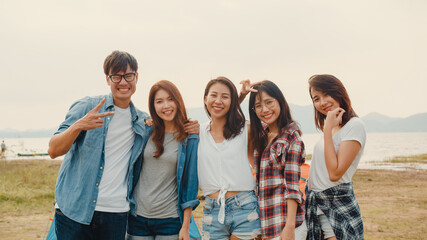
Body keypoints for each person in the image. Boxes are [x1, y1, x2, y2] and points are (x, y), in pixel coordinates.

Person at [48, 50, 151, 240]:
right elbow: (53, 150)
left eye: (128, 76)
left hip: (116, 212)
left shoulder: (142, 121)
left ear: (136, 77)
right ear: (107, 79)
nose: (123, 82)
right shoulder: (88, 106)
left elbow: (171, 130)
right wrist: (79, 125)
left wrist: (191, 127)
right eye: (116, 76)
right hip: (75, 210)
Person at [127, 80, 200, 240]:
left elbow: (190, 183)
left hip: (170, 219)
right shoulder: (145, 131)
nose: (165, 106)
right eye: (159, 101)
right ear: (153, 106)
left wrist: (185, 227)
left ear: (178, 101)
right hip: (137, 217)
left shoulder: (189, 138)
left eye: (170, 99)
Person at [198, 76, 261, 240]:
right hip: (212, 210)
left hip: (245, 207)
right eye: (213, 95)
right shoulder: (197, 132)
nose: (218, 100)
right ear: (205, 99)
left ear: (232, 101)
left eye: (225, 96)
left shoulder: (245, 130)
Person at [306, 74, 366, 240]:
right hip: (316, 207)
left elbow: (335, 173)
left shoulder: (354, 125)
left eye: (326, 94)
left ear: (338, 92)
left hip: (337, 207)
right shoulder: (331, 129)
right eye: (316, 98)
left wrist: (326, 130)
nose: (322, 102)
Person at [247, 80, 307, 240]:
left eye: (269, 102)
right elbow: (232, 123)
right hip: (268, 224)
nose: (264, 109)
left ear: (280, 101)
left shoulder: (292, 138)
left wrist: (289, 227)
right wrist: (242, 95)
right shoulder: (262, 135)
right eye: (258, 106)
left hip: (286, 226)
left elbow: (292, 187)